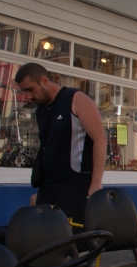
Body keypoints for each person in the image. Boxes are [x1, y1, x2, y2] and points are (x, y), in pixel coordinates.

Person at [15, 63, 106, 225]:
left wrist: (96, 183)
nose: (28, 96)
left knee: (75, 242)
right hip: (48, 186)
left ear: (44, 80)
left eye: (30, 89)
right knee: (46, 239)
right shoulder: (41, 110)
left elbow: (100, 139)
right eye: (24, 92)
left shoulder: (75, 99)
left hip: (74, 186)